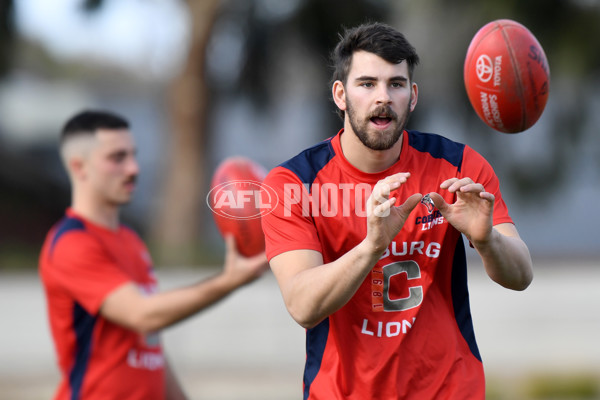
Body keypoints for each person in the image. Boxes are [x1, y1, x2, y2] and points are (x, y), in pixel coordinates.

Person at [261, 22, 533, 399]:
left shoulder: (458, 166)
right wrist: (372, 245)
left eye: (396, 84)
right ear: (340, 94)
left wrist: (487, 241)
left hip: (449, 389)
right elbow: (303, 305)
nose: (383, 97)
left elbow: (521, 275)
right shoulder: (294, 183)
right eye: (367, 84)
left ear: (413, 95)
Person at [39, 110, 269, 400]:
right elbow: (143, 316)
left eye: (133, 155)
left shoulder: (131, 240)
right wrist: (229, 281)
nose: (134, 168)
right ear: (79, 167)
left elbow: (149, 344)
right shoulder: (71, 244)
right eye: (117, 158)